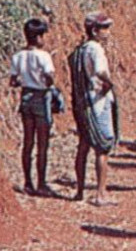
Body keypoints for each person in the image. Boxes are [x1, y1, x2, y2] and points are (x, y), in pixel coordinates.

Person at [68, 13, 118, 206]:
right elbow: (100, 71)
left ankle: (79, 190)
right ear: (95, 31)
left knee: (83, 145)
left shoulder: (80, 50)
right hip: (98, 102)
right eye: (104, 28)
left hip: (83, 103)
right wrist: (109, 83)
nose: (107, 32)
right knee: (102, 148)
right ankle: (101, 193)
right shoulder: (96, 49)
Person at [10, 17, 58, 196]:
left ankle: (28, 182)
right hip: (41, 96)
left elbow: (13, 81)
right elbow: (50, 77)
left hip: (26, 97)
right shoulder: (44, 56)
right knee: (43, 143)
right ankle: (41, 183)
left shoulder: (18, 56)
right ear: (38, 37)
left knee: (28, 142)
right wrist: (48, 83)